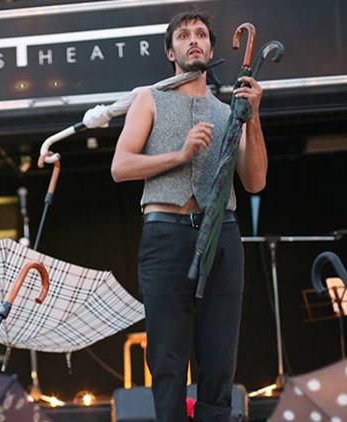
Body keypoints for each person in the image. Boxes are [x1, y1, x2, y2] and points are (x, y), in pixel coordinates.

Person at [111, 11, 267, 422]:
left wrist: (254, 119)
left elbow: (254, 182)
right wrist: (179, 155)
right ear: (170, 51)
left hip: (222, 234)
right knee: (167, 356)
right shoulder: (150, 98)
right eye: (183, 35)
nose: (193, 40)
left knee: (219, 356)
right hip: (166, 235)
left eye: (200, 35)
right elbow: (120, 166)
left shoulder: (227, 109)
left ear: (212, 49)